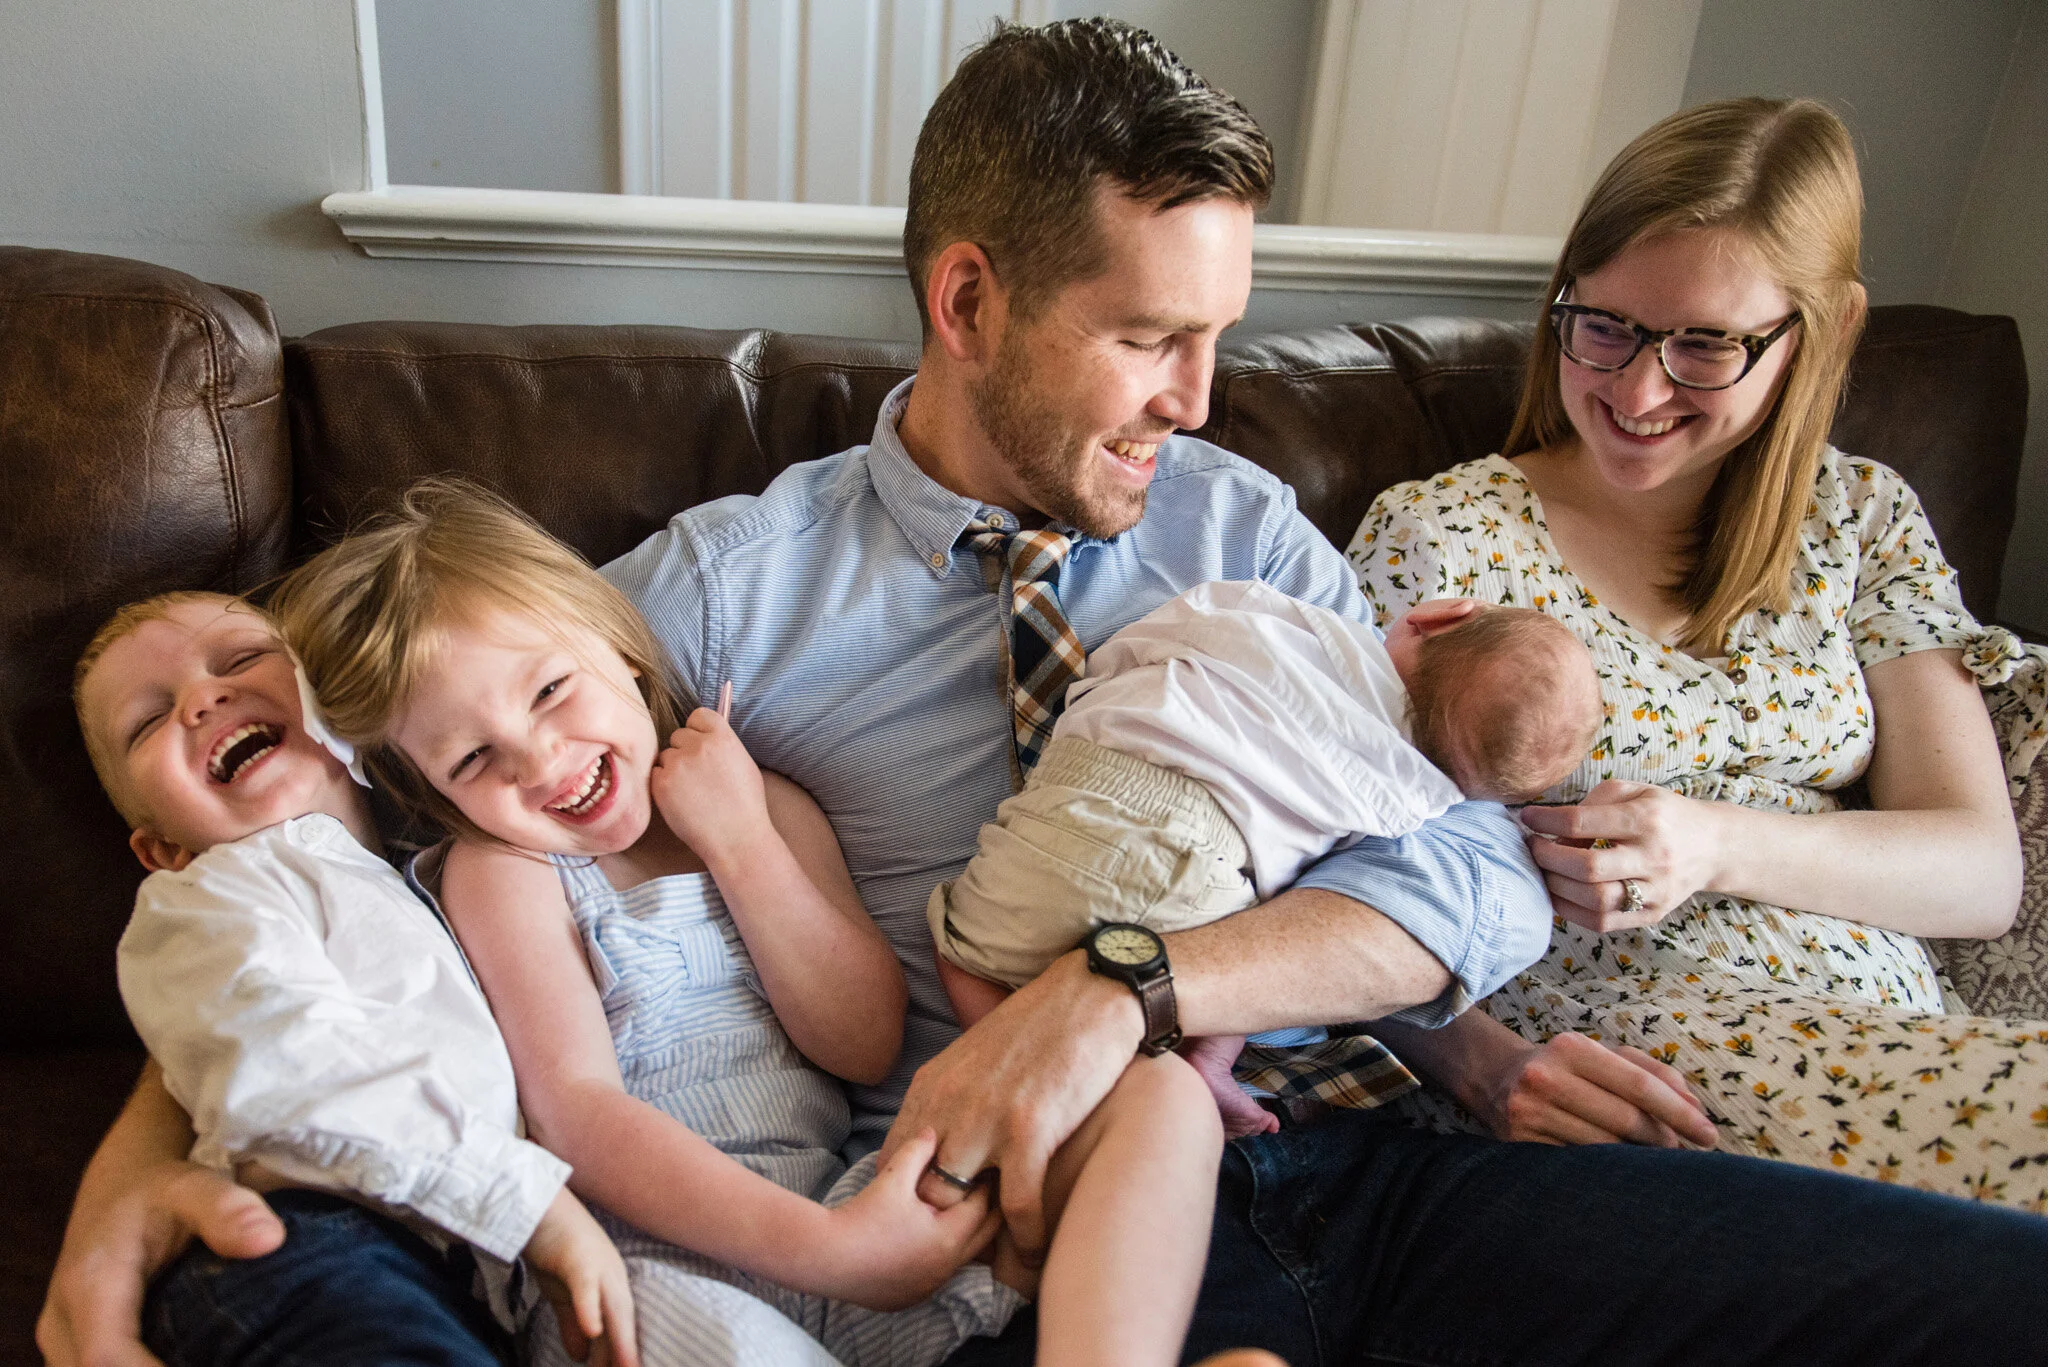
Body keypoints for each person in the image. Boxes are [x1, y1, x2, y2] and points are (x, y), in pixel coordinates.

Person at [39, 24, 2048, 1367]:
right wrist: (142, 1153)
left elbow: (1481, 885)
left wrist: (1138, 985)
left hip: (1356, 1152)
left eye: (1221, 339)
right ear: (969, 296)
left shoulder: (1249, 533)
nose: (1199, 400)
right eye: (1150, 341)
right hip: (1019, 1242)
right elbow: (391, 842)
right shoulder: (717, 600)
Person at [269, 481, 1231, 1367]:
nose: (541, 762)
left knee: (1157, 1098)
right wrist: (828, 1253)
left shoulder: (765, 802)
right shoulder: (504, 871)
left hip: (845, 1207)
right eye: (475, 758)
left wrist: (740, 844)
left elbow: (861, 1039)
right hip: (658, 1272)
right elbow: (578, 1113)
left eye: (552, 689)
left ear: (618, 640)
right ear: (434, 792)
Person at [1347, 96, 2048, 1206]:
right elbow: (1315, 852)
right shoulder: (1444, 539)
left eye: (1703, 345)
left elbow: (1978, 871)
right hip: (1639, 1048)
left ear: (1818, 334)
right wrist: (1482, 1068)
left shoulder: (1859, 520)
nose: (1635, 390)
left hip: (1902, 1033)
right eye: (1605, 325)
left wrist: (1713, 840)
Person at [70, 591, 634, 1367]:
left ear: (336, 705)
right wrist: (530, 1207)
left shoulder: (422, 872)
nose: (204, 698)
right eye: (148, 719)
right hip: (301, 1249)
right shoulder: (210, 897)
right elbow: (298, 1068)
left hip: (436, 1268)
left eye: (237, 660)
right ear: (162, 850)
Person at [928, 585, 1601, 1136]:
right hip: (1205, 881)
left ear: (1439, 613)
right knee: (1256, 954)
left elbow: (1151, 640)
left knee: (958, 942)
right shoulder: (1408, 800)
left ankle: (990, 1046)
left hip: (1084, 790)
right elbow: (1324, 897)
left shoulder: (1280, 616)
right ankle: (1202, 1071)